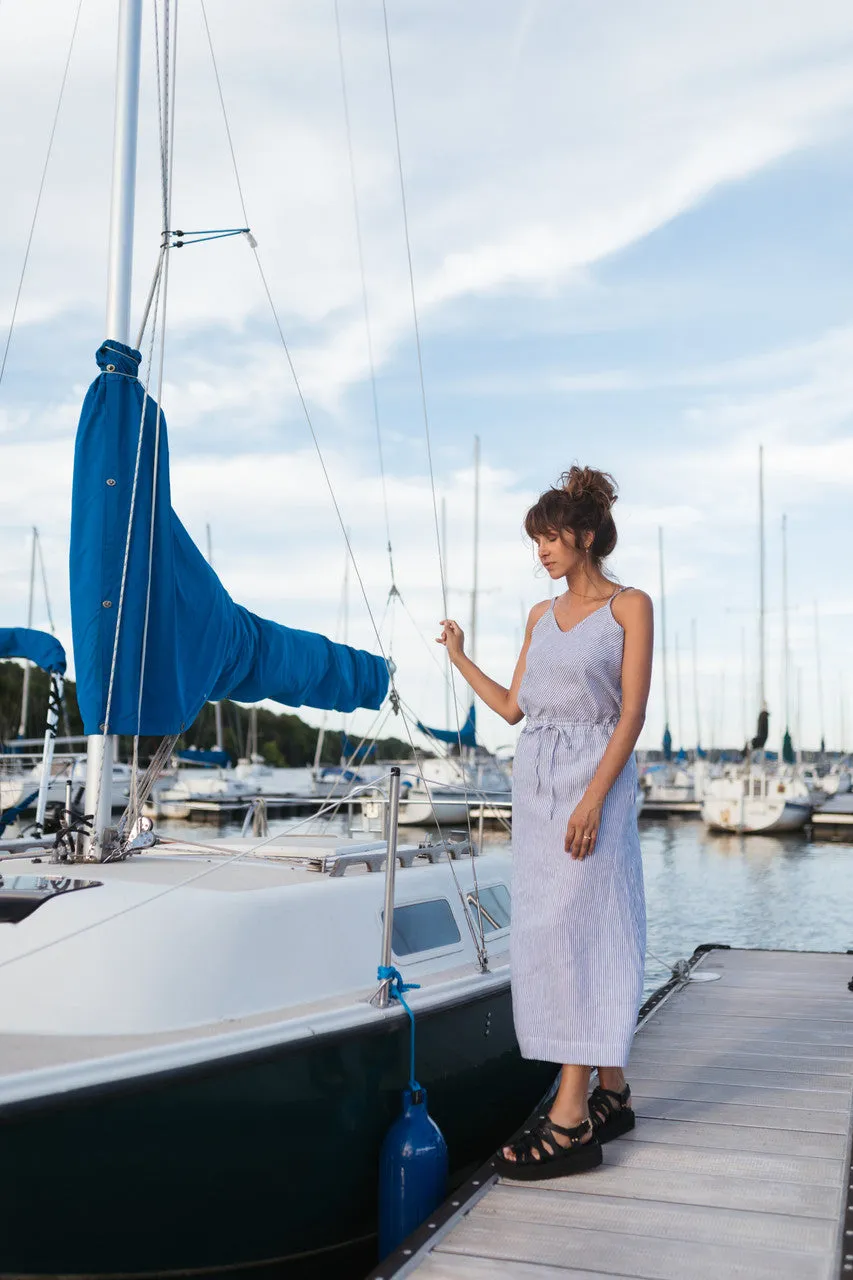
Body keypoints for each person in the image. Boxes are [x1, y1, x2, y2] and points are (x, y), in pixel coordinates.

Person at [437, 465, 653, 1180]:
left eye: (551, 538)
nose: (541, 552)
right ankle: (611, 1095)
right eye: (536, 542)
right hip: (535, 786)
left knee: (582, 929)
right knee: (552, 929)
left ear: (584, 536)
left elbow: (631, 715)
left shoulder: (629, 607)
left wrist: (593, 798)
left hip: (595, 781)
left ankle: (569, 1121)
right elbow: (509, 708)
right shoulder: (538, 615)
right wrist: (458, 654)